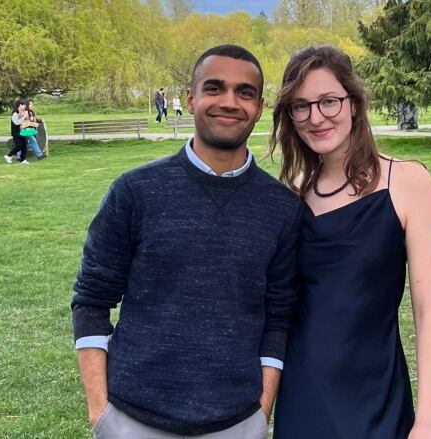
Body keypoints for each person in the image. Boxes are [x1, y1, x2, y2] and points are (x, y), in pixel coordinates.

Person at [71, 44, 302, 439]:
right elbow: (92, 298)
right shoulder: (135, 191)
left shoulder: (281, 207)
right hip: (131, 419)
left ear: (260, 107)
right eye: (215, 88)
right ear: (191, 98)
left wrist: (262, 409)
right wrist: (100, 411)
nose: (230, 102)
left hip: (238, 422)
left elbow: (278, 316)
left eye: (244, 92)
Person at [270, 45, 431, 439]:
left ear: (354, 103)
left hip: (376, 392)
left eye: (328, 101)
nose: (316, 117)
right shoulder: (291, 195)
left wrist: (429, 420)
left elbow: (427, 309)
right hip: (303, 393)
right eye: (301, 106)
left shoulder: (407, 183)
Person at [4, 100, 29, 164]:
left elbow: (26, 121)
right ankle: (8, 156)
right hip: (16, 132)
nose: (25, 107)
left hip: (23, 131)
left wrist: (26, 116)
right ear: (20, 105)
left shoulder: (23, 112)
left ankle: (23, 159)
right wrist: (23, 117)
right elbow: (17, 122)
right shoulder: (15, 113)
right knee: (19, 145)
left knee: (24, 145)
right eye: (24, 105)